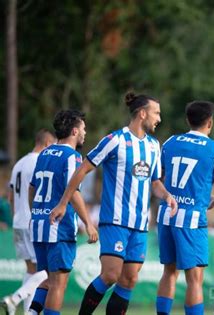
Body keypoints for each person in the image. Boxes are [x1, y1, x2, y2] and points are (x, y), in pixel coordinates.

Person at [50, 92, 177, 315]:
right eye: (156, 113)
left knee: (129, 279)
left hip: (140, 225)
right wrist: (63, 203)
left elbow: (154, 181)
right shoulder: (115, 140)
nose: (159, 118)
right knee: (110, 274)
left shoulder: (154, 146)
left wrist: (166, 195)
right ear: (142, 113)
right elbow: (83, 169)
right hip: (115, 221)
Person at [155, 101, 214, 315]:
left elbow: (158, 177)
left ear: (188, 120)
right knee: (194, 278)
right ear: (210, 122)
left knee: (169, 271)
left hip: (167, 214)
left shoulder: (170, 142)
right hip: (192, 218)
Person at [28, 110, 98, 315]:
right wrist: (88, 222)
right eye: (83, 129)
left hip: (39, 224)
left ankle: (31, 313)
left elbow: (32, 188)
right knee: (58, 284)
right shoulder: (73, 156)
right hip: (58, 226)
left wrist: (37, 211)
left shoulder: (44, 153)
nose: (85, 133)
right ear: (75, 131)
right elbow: (74, 192)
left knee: (49, 279)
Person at [1, 129, 56, 315]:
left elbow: (10, 196)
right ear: (48, 143)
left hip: (18, 222)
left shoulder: (19, 163)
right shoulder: (39, 162)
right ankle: (14, 298)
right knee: (47, 271)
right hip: (33, 221)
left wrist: (17, 216)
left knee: (32, 271)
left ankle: (27, 312)